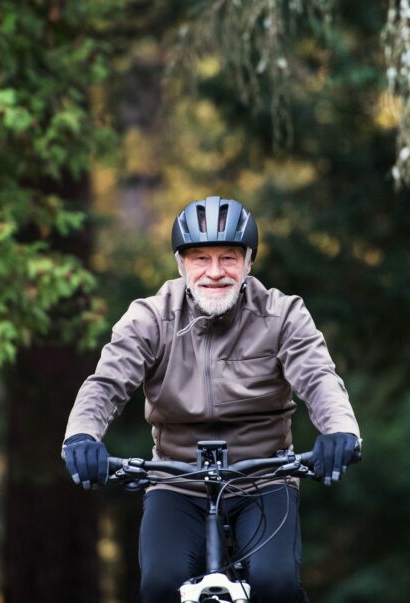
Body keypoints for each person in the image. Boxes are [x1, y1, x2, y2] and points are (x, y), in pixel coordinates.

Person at [62, 195, 361, 603]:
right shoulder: (151, 317)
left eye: (229, 258)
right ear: (181, 264)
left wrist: (339, 430)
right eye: (200, 258)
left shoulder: (282, 314)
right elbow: (106, 382)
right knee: (158, 587)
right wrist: (82, 436)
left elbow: (318, 376)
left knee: (277, 585)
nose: (215, 272)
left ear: (249, 263)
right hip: (176, 479)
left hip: (264, 476)